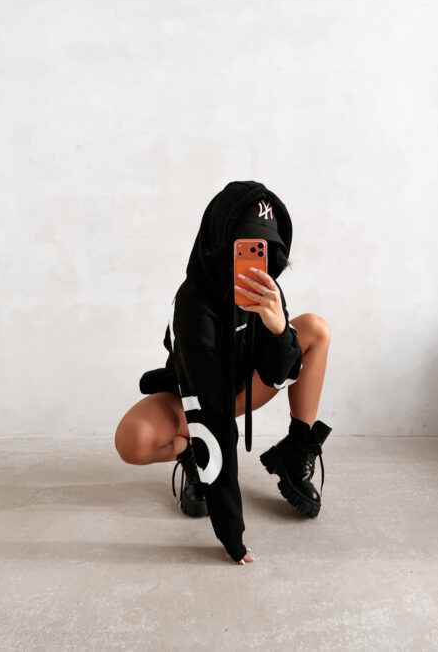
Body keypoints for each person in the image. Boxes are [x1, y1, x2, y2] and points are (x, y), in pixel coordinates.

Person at [114, 180, 332, 566]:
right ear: (218, 242)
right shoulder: (193, 302)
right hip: (195, 396)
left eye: (262, 249)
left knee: (314, 328)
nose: (253, 260)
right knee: (132, 440)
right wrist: (231, 532)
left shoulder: (266, 290)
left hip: (244, 388)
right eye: (241, 247)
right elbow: (211, 411)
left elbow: (282, 373)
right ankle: (191, 453)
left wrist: (279, 328)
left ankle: (295, 451)